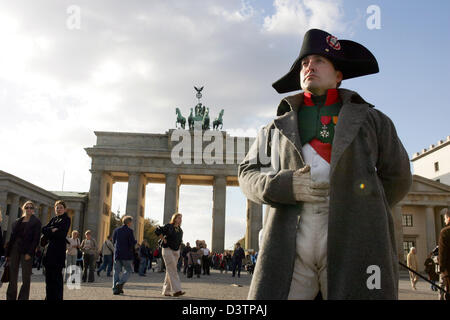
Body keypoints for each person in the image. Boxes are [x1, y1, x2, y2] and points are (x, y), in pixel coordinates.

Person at [238, 28, 412, 300]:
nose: (310, 67)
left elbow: (399, 177)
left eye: (319, 60)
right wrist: (285, 185)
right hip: (291, 246)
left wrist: (362, 208)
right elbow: (247, 175)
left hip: (350, 245)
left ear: (338, 75)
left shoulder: (375, 121)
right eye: (305, 63)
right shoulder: (274, 127)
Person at [4, 201, 41, 300]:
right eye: (27, 207)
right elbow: (12, 238)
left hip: (27, 250)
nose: (29, 209)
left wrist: (30, 252)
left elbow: (36, 239)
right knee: (12, 275)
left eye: (31, 207)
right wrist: (8, 253)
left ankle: (23, 298)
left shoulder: (36, 222)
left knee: (26, 277)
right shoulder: (17, 221)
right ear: (23, 209)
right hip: (15, 248)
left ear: (33, 210)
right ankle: (10, 297)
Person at [42, 200, 71, 300]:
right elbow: (43, 229)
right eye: (57, 208)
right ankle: (48, 297)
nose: (58, 209)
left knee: (57, 279)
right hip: (48, 252)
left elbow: (61, 234)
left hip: (58, 253)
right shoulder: (54, 219)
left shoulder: (66, 219)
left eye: (61, 208)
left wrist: (50, 231)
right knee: (48, 278)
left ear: (65, 209)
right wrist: (52, 230)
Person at [155, 212, 185, 297]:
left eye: (181, 218)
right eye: (179, 218)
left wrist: (179, 250)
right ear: (174, 218)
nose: (180, 220)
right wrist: (163, 238)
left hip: (176, 251)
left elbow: (180, 241)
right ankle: (177, 290)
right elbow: (157, 230)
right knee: (173, 270)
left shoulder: (180, 230)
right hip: (167, 249)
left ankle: (166, 291)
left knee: (170, 271)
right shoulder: (169, 226)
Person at [112, 215, 137, 295]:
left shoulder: (116, 230)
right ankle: (120, 283)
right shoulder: (130, 231)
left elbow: (113, 241)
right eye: (131, 222)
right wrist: (135, 242)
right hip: (126, 254)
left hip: (117, 254)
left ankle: (115, 289)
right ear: (129, 222)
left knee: (116, 271)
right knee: (129, 270)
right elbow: (132, 243)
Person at [438, 208, 450, 300]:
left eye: (445, 218)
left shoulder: (445, 232)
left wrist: (442, 269)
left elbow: (442, 253)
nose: (444, 220)